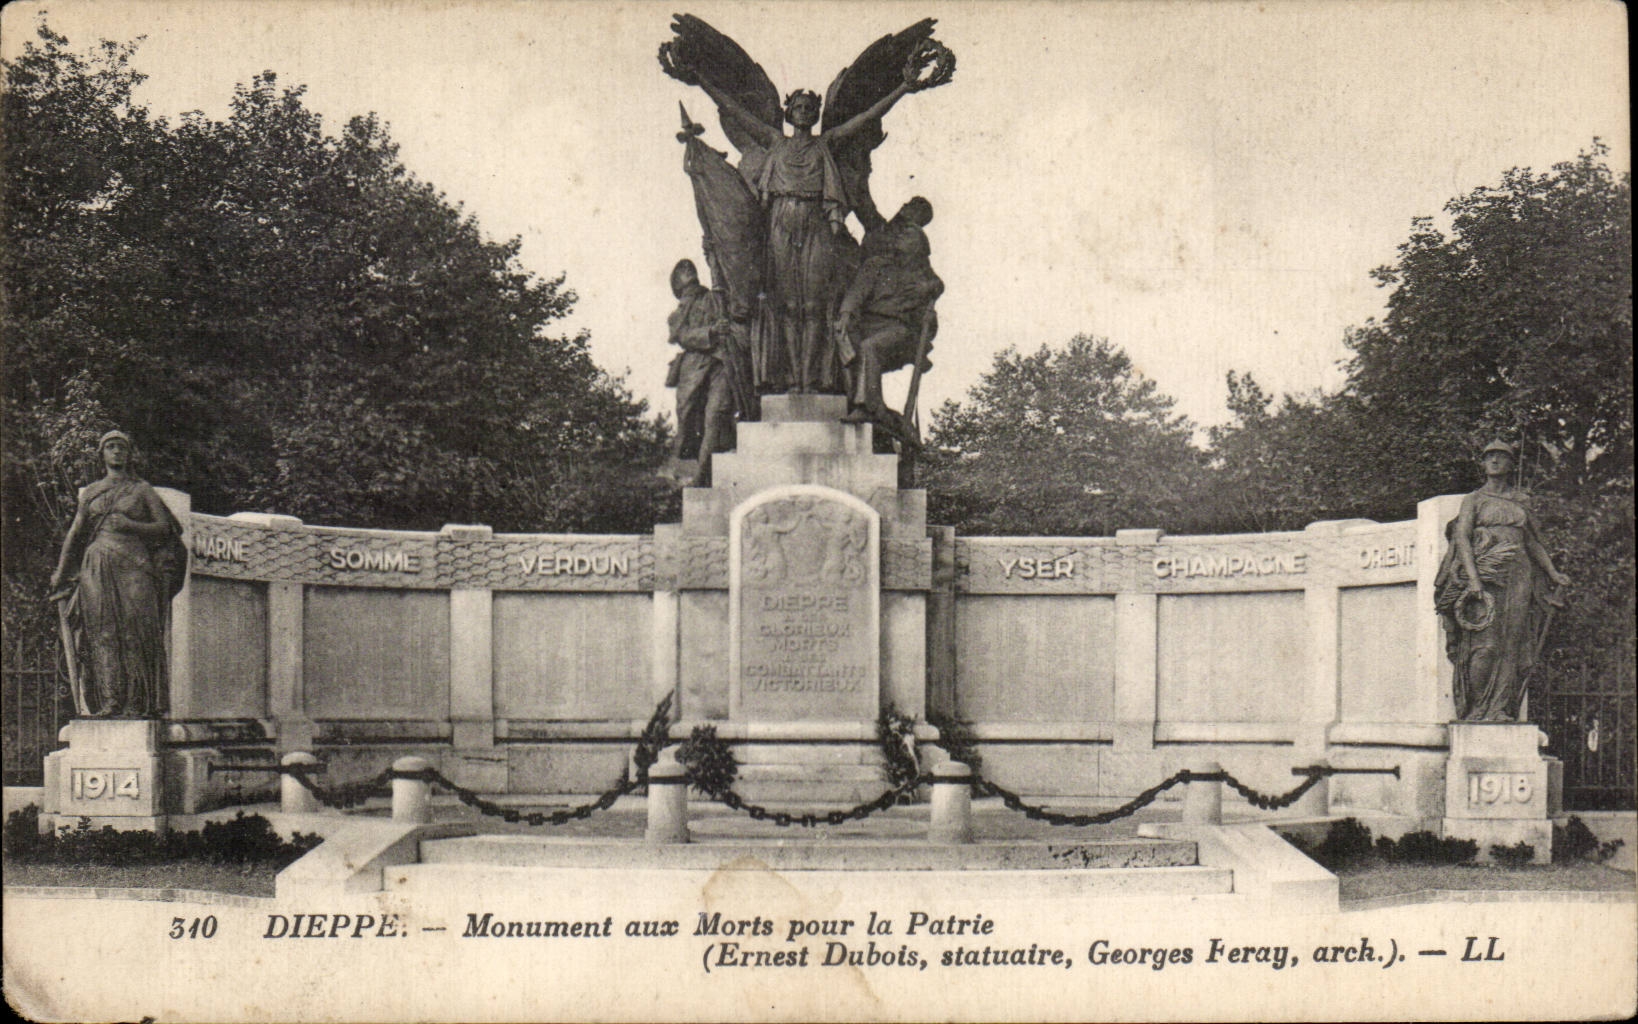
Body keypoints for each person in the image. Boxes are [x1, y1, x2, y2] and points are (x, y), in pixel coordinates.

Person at [1434, 440, 1571, 722]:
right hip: (1485, 574)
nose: (1495, 461)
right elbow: (1462, 539)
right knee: (1484, 645)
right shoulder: (1473, 499)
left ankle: (1499, 709)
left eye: (1502, 457)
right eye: (1489, 457)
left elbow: (1531, 541)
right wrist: (1474, 579)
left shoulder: (1521, 501)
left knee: (1512, 642)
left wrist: (1552, 572)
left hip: (1518, 575)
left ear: (1511, 465)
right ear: (1483, 464)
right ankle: (1476, 709)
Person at [48, 431, 182, 718]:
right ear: (102, 455)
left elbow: (165, 528)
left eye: (122, 447)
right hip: (97, 565)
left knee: (136, 632)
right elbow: (75, 533)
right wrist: (60, 571)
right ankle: (110, 701)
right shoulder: (93, 492)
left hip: (135, 564)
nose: (116, 452)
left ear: (130, 453)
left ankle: (137, 702)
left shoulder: (142, 490)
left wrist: (132, 525)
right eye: (110, 447)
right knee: (102, 633)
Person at [834, 221, 943, 439]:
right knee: (842, 340)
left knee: (869, 347)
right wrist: (845, 315)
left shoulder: (924, 277)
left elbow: (932, 314)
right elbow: (855, 294)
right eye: (901, 235)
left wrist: (928, 312)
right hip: (868, 325)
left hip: (900, 330)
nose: (902, 238)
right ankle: (869, 404)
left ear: (921, 247)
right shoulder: (876, 266)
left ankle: (866, 407)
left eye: (910, 236)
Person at [666, 260, 736, 486]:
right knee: (687, 420)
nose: (688, 271)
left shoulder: (716, 298)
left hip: (720, 363)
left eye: (690, 272)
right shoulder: (676, 316)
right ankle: (689, 470)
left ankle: (701, 475)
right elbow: (683, 336)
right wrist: (711, 331)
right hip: (694, 369)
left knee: (715, 416)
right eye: (683, 274)